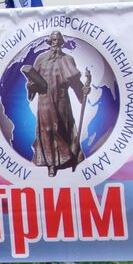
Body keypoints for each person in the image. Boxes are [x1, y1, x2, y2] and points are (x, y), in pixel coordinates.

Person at [24, 30, 87, 176]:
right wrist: (31, 85)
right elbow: (32, 82)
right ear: (50, 42)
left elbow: (76, 83)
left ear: (62, 42)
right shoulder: (41, 59)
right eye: (53, 40)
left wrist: (83, 91)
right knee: (47, 131)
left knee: (62, 129)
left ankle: (68, 160)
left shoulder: (68, 59)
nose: (56, 42)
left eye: (58, 40)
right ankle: (51, 164)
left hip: (62, 100)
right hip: (44, 100)